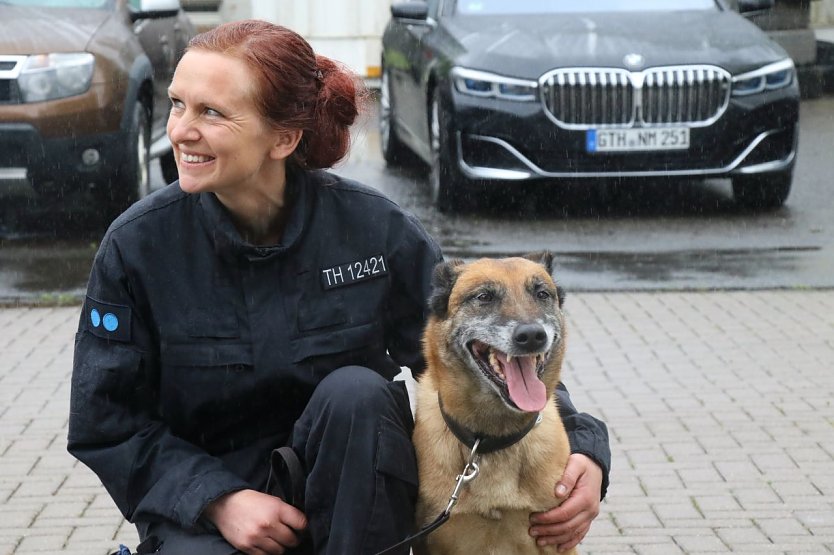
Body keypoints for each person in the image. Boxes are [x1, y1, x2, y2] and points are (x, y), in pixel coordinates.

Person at [67, 19, 610, 555]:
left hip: (359, 502)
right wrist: (219, 499)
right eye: (179, 103)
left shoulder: (373, 230)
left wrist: (584, 449)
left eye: (211, 112)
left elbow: (471, 344)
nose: (181, 129)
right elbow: (107, 424)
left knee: (357, 392)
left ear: (283, 137)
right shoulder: (138, 247)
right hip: (208, 515)